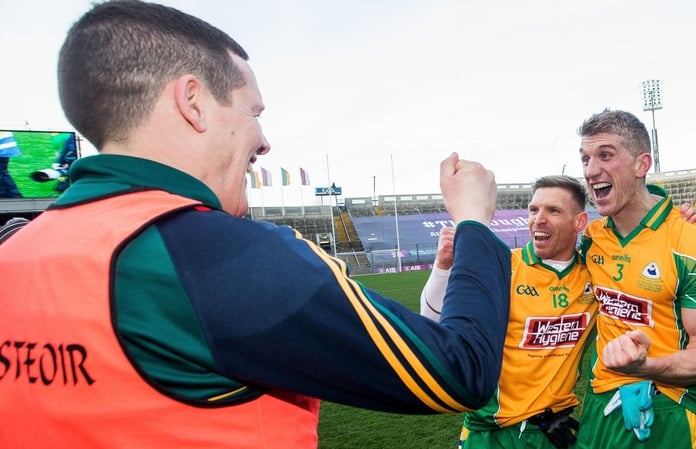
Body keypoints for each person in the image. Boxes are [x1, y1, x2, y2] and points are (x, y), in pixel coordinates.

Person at [0, 2, 512, 448]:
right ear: (193, 101)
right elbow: (460, 371)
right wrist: (473, 223)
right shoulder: (220, 256)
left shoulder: (17, 252)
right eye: (253, 111)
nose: (264, 141)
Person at [575, 109, 696, 449]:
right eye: (585, 158)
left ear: (641, 165)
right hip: (599, 405)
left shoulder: (691, 243)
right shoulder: (589, 238)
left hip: (664, 405)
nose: (591, 170)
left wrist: (645, 367)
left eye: (605, 155)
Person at [421, 175, 596, 449]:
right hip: (490, 434)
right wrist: (443, 267)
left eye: (553, 210)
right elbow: (432, 327)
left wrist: (687, 223)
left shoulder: (595, 274)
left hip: (553, 432)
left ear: (579, 222)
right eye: (534, 209)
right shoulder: (502, 267)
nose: (539, 219)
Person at [0, 131, 22, 198]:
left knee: (2, 172)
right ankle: (15, 197)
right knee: (2, 172)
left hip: (3, 142)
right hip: (4, 142)